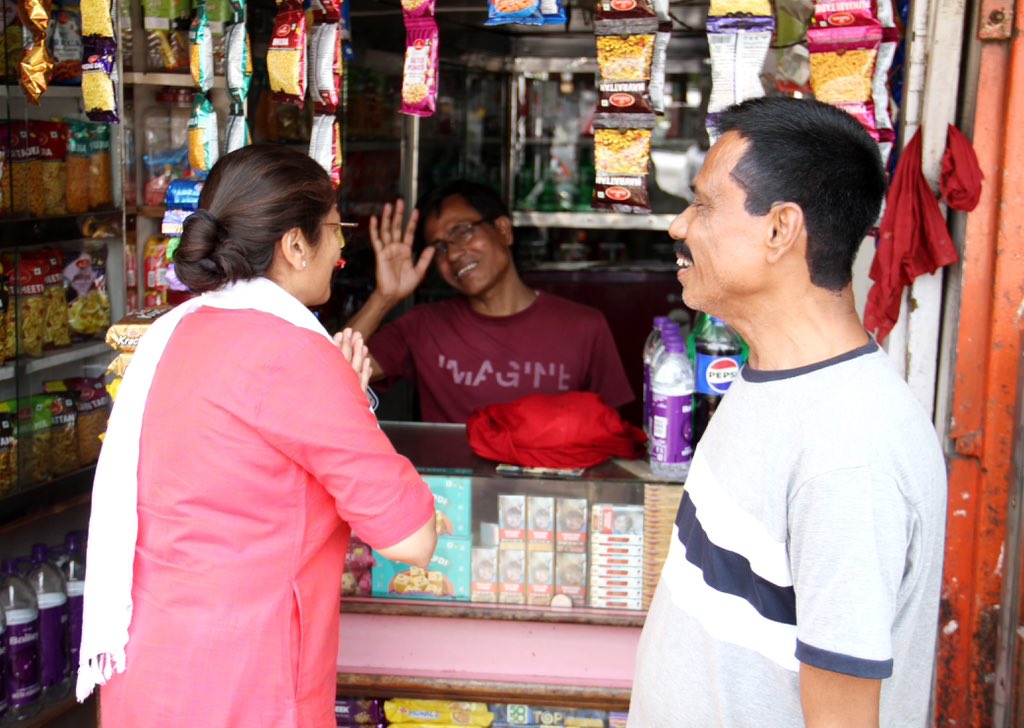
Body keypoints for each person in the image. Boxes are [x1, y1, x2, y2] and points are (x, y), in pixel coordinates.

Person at [76, 145, 438, 727]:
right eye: (336, 228)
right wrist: (353, 404)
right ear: (295, 245)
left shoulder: (175, 335)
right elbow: (412, 540)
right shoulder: (296, 357)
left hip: (150, 676)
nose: (344, 247)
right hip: (248, 687)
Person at [628, 97, 947, 727]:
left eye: (704, 204)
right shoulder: (770, 377)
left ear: (780, 229)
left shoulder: (849, 456)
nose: (678, 227)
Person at [346, 180, 634, 423]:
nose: (455, 254)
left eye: (463, 232)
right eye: (440, 247)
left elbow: (612, 433)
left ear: (503, 230)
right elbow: (333, 376)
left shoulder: (584, 327)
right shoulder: (422, 326)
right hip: (453, 491)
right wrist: (383, 298)